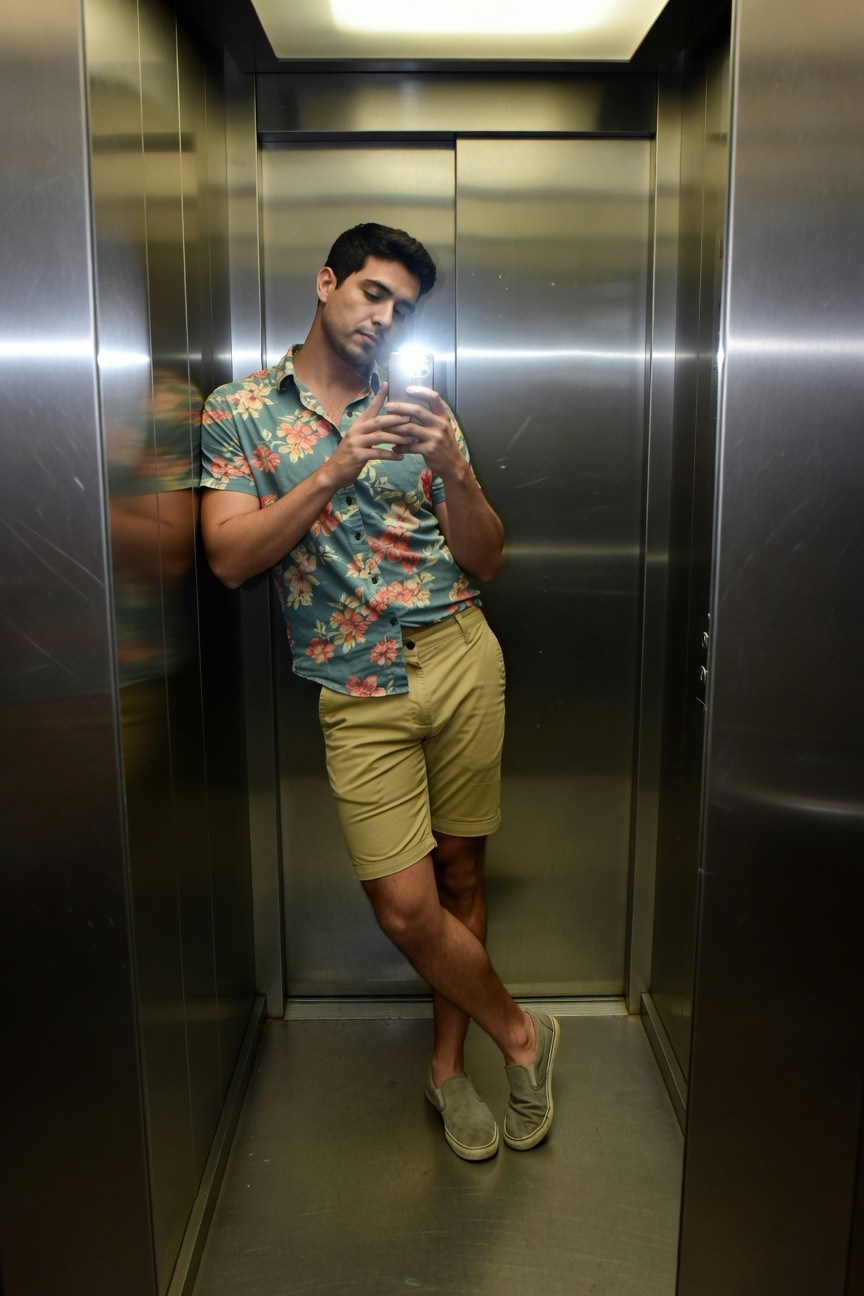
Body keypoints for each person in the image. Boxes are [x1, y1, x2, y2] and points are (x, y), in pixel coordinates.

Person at [199, 222, 559, 1161]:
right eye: (372, 294)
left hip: (460, 655)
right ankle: (523, 1033)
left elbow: (487, 558)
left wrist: (453, 469)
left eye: (402, 307)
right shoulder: (239, 411)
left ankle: (450, 1069)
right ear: (326, 283)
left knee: (462, 874)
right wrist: (337, 465)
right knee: (404, 905)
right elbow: (231, 558)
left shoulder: (423, 410)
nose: (384, 317)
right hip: (355, 685)